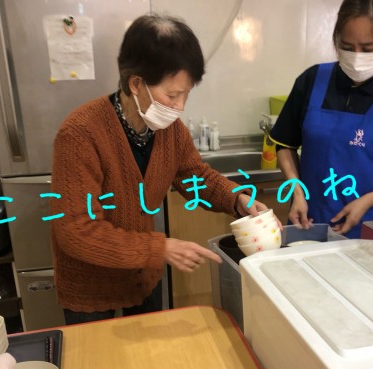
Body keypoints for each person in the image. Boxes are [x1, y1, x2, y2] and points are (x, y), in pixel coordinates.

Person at [50, 14, 271, 325]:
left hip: (142, 277)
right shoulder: (80, 133)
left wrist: (236, 198)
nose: (180, 107)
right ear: (136, 84)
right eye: (172, 95)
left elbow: (195, 176)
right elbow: (76, 231)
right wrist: (160, 248)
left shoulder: (171, 131)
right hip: (91, 288)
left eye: (186, 94)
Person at [269, 0, 373, 238]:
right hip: (307, 224)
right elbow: (285, 144)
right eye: (347, 47)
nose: (357, 57)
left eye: (368, 49)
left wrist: (368, 200)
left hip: (370, 229)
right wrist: (296, 191)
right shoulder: (312, 80)